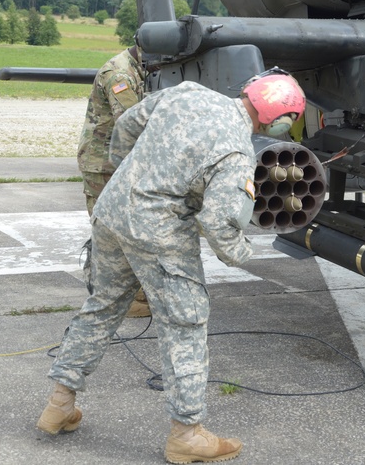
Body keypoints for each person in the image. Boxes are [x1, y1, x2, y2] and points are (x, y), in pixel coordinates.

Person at [37, 72, 307, 464]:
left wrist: (134, 173)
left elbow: (127, 125)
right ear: (280, 122)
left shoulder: (190, 93)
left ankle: (59, 403)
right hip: (159, 230)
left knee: (104, 305)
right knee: (185, 323)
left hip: (113, 209)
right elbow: (219, 224)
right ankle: (187, 434)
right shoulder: (236, 153)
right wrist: (245, 254)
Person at [77, 44, 150, 317]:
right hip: (103, 164)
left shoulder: (141, 69)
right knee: (109, 233)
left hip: (120, 162)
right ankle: (115, 299)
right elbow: (132, 123)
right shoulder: (120, 75)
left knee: (129, 229)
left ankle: (135, 294)